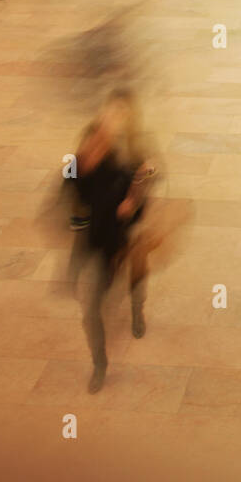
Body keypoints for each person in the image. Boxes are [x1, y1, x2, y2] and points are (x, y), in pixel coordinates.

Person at [69, 91, 157, 392]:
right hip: (97, 240)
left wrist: (135, 196)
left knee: (136, 271)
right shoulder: (84, 159)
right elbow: (70, 193)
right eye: (112, 111)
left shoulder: (129, 155)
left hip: (124, 233)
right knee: (91, 311)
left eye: (122, 113)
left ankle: (137, 308)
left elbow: (147, 181)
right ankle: (99, 363)